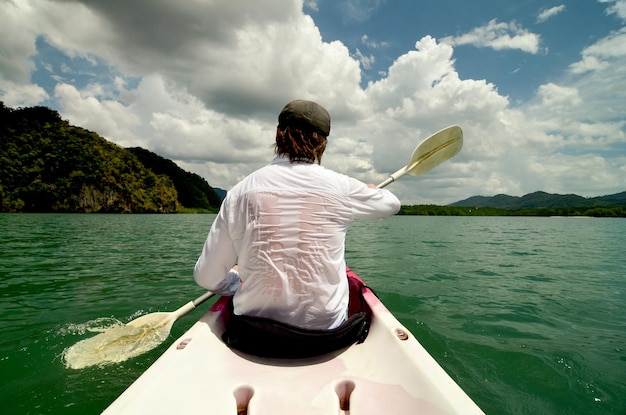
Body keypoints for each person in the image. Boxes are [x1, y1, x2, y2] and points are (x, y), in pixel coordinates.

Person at [194, 99, 400, 335]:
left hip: (255, 333)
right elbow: (392, 204)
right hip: (325, 334)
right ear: (323, 143)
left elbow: (206, 277)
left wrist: (235, 282)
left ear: (277, 133)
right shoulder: (342, 187)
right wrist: (371, 191)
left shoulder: (240, 192)